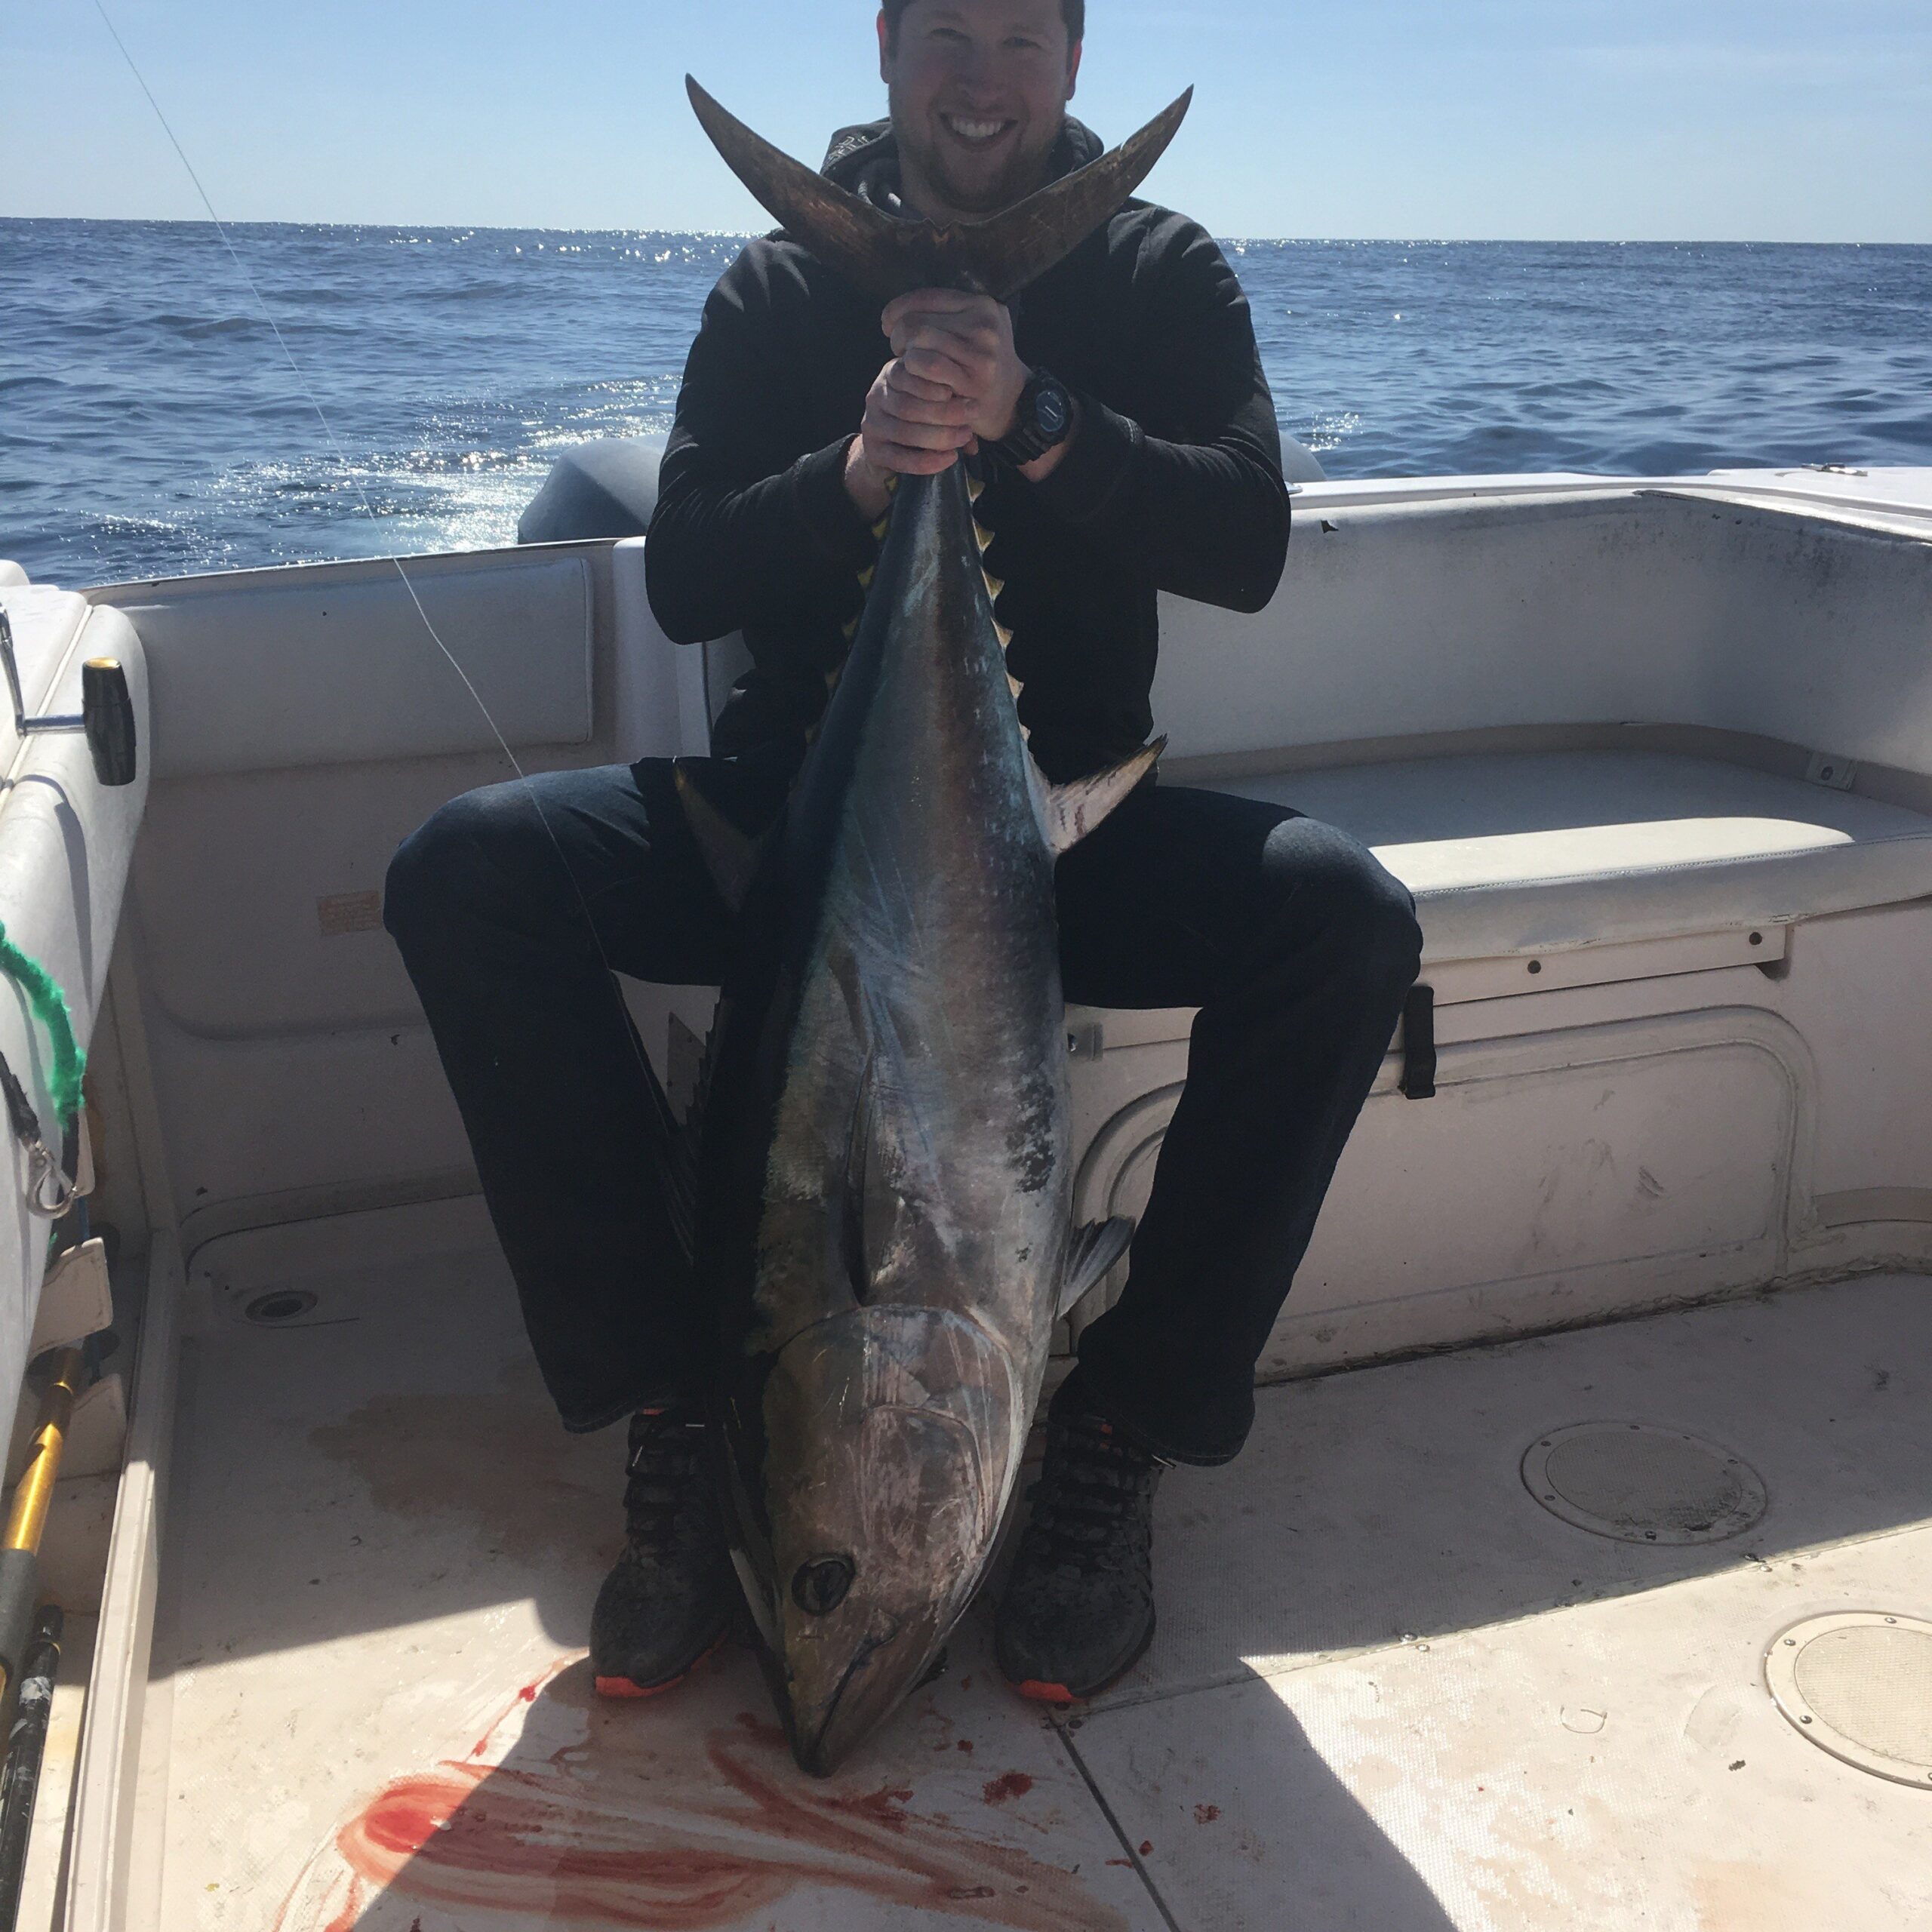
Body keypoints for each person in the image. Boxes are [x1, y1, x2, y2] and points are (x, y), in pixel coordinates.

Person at [384, 0, 1421, 1712]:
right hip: (786, 831)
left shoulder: (1157, 270)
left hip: (1067, 828)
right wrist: (866, 464)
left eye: (1020, 37)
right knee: (465, 870)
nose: (978, 75)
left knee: (1339, 919)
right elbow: (685, 577)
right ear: (881, 51)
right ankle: (682, 1390)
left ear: (1072, 64)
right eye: (944, 30)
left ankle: (1119, 1428)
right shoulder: (778, 287)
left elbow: (1242, 540)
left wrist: (1036, 414)